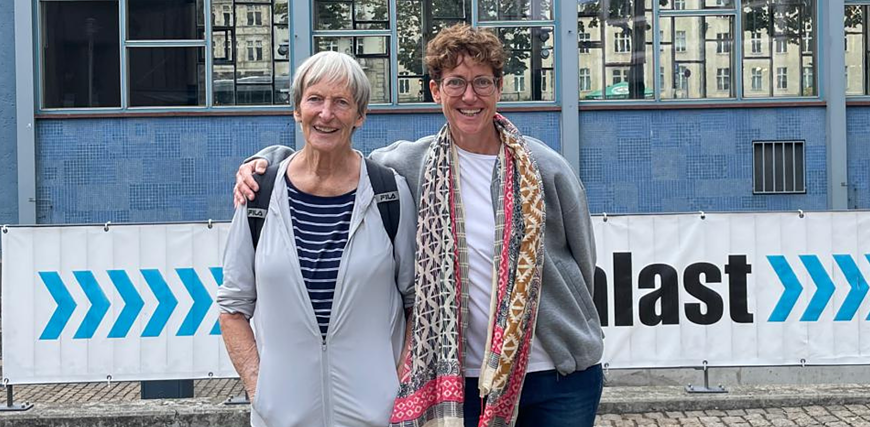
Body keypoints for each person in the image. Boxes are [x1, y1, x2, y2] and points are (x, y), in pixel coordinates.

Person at [235, 24, 603, 427]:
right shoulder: (410, 165)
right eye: (455, 83)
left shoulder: (544, 167)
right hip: (462, 379)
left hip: (557, 375)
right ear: (435, 91)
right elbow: (329, 153)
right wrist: (267, 161)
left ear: (499, 88)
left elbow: (583, 261)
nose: (469, 96)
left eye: (482, 82)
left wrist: (565, 335)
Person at [216, 51, 417, 427]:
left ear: (360, 116)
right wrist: (262, 391)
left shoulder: (389, 194)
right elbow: (232, 308)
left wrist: (401, 386)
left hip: (378, 416)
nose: (326, 114)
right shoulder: (258, 195)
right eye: (315, 99)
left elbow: (417, 302)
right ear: (297, 110)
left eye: (342, 102)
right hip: (282, 417)